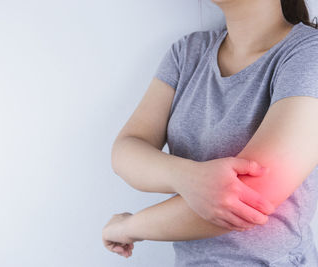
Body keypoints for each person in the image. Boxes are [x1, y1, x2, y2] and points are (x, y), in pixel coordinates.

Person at [102, 0, 318, 266]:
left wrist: (129, 227)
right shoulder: (187, 52)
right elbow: (126, 149)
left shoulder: (309, 52)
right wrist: (186, 177)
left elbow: (248, 197)